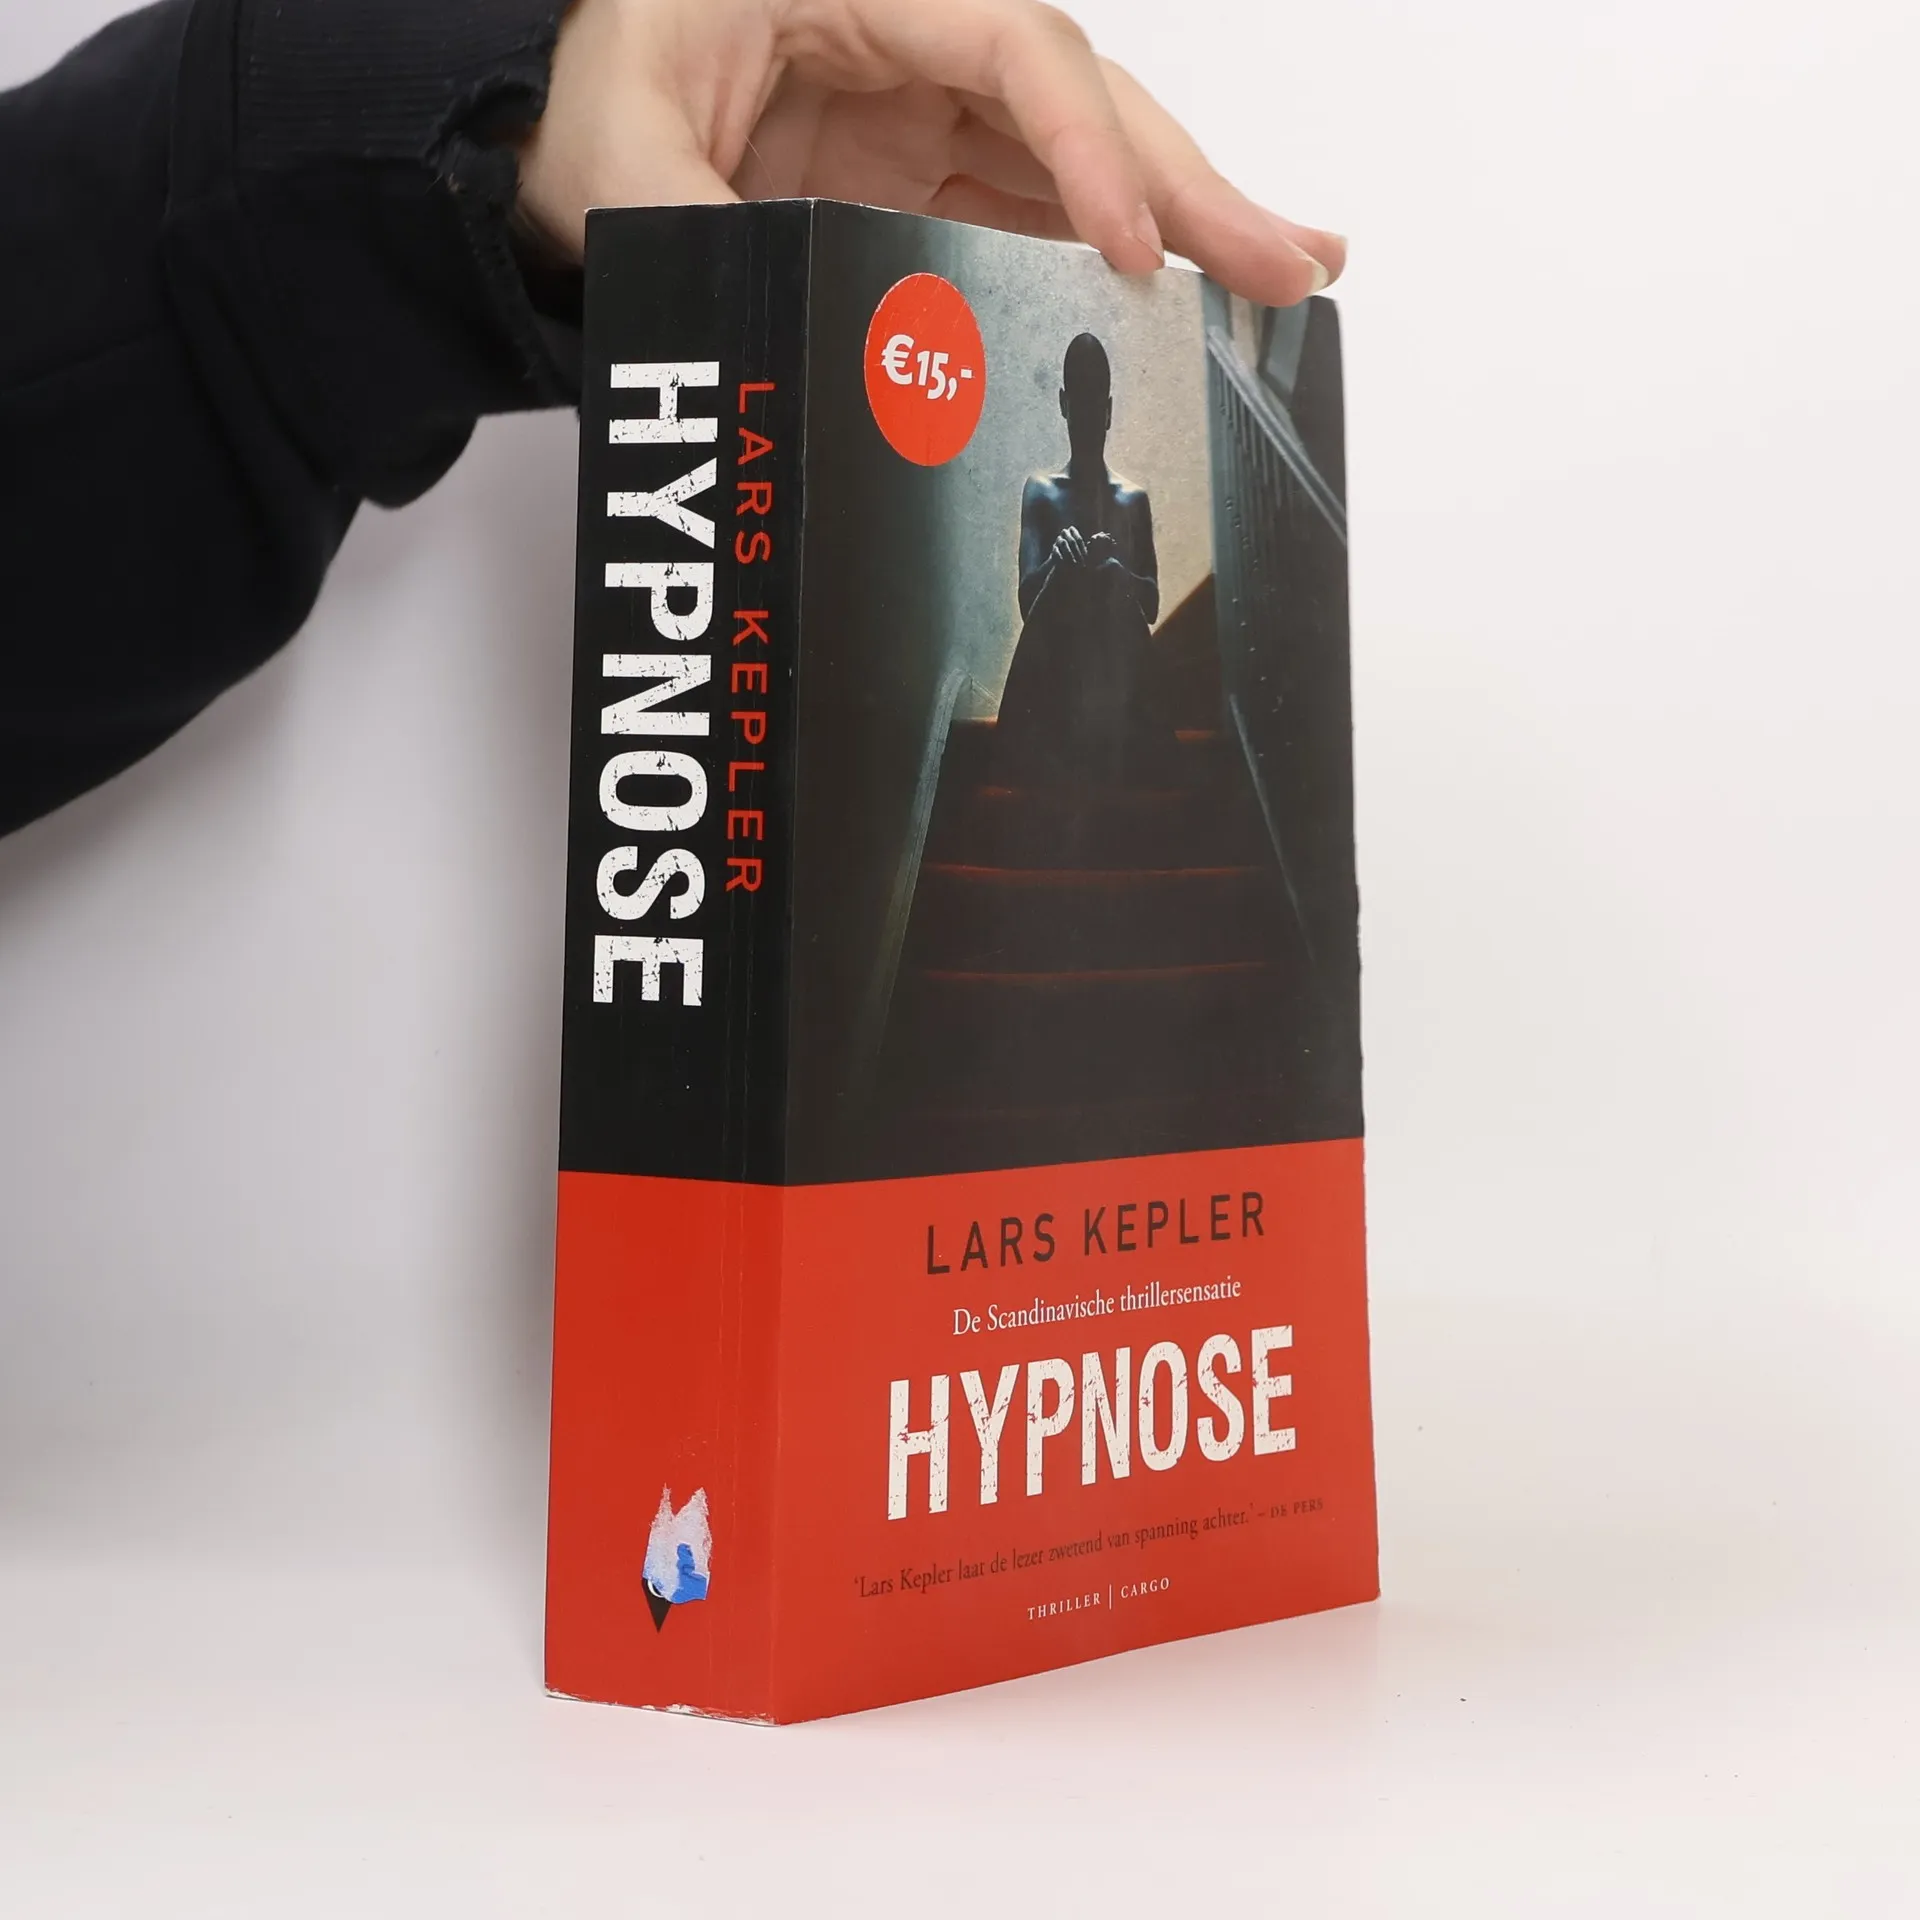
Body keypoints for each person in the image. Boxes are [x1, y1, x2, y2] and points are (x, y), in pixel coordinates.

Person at [0, 0, 1344, 838]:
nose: (1093, 404)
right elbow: (1035, 589)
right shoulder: (1047, 493)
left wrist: (466, 149)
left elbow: (1141, 599)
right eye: (1085, 390)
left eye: (1100, 392)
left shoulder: (1127, 504)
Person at [997, 329, 1165, 785]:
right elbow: (1027, 602)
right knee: (1072, 579)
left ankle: (1112, 747)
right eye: (1080, 406)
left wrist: (1117, 571)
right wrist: (1058, 560)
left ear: (1107, 411)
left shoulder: (1132, 500)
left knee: (1107, 577)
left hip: (1113, 685)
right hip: (1058, 681)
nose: (1088, 420)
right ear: (1064, 405)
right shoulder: (1042, 492)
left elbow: (1150, 605)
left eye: (1096, 408)